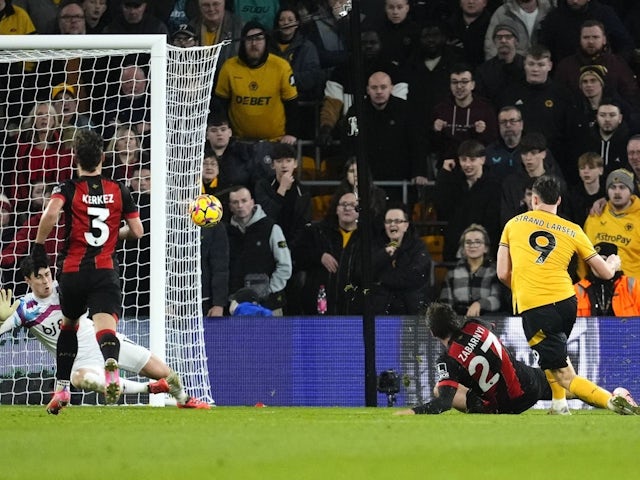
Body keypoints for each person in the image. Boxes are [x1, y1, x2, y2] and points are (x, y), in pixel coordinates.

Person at [496, 174, 638, 415]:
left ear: (534, 198)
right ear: (559, 200)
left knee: (564, 374)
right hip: (567, 301)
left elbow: (502, 273)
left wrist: (523, 288)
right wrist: (613, 263)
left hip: (537, 305)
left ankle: (613, 401)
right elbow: (604, 273)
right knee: (554, 356)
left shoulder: (514, 224)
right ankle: (559, 405)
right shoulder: (573, 229)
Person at [31, 129, 144, 414]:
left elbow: (51, 214)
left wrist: (38, 245)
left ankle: (61, 389)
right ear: (103, 157)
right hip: (104, 270)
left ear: (75, 157)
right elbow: (138, 231)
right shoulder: (119, 188)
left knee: (69, 325)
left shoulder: (67, 187)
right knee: (106, 328)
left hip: (72, 271)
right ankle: (111, 367)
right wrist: (112, 236)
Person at [0, 259, 210, 409]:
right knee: (79, 379)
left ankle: (184, 400)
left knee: (165, 372)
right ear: (28, 280)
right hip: (81, 362)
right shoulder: (24, 309)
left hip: (103, 341)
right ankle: (149, 389)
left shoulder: (65, 287)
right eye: (39, 277)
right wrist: (2, 319)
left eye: (47, 274)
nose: (46, 281)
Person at [394, 302, 554, 415]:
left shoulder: (448, 360)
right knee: (562, 381)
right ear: (454, 318)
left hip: (504, 408)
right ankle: (573, 393)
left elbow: (443, 403)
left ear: (432, 333)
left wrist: (411, 412)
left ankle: (480, 409)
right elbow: (490, 327)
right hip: (530, 386)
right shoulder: (474, 324)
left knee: (440, 387)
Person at [344, 71, 427, 202]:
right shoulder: (355, 112)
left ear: (391, 88)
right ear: (367, 89)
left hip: (400, 175)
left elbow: (417, 142)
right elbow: (349, 142)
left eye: (383, 87)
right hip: (367, 177)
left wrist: (419, 171)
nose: (379, 91)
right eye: (374, 87)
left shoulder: (406, 109)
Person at [214, 21, 300, 146]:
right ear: (243, 42)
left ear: (266, 41)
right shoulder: (229, 67)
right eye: (249, 39)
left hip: (275, 141)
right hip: (238, 141)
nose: (254, 44)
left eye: (259, 38)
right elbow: (220, 106)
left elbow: (291, 103)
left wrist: (291, 133)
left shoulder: (281, 66)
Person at [293, 191, 363, 315]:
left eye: (353, 205)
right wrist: (319, 256)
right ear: (336, 209)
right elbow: (297, 254)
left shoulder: (365, 238)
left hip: (352, 311)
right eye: (343, 204)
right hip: (320, 309)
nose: (347, 208)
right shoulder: (318, 232)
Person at [227, 186, 292, 316]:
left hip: (270, 306)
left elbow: (285, 266)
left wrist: (268, 290)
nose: (240, 205)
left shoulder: (271, 228)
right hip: (237, 307)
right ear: (230, 206)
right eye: (235, 202)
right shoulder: (226, 232)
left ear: (252, 202)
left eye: (244, 200)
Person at [434, 139, 501, 261]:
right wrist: (444, 173)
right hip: (455, 247)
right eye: (463, 160)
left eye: (472, 160)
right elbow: (441, 206)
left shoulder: (493, 185)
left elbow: (493, 220)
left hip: (484, 249)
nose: (467, 164)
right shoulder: (454, 182)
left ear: (482, 160)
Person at [553, 20, 640, 110]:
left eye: (595, 37)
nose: (590, 41)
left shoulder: (617, 63)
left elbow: (631, 95)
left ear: (604, 40)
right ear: (580, 40)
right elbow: (559, 98)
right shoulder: (566, 66)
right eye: (586, 37)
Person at [431, 64, 498, 168]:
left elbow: (492, 144)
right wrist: (436, 130)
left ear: (473, 85)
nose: (459, 86)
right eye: (454, 82)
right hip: (448, 167)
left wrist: (482, 133)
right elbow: (433, 146)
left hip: (477, 168)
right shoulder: (441, 109)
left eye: (464, 81)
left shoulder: (485, 109)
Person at [370, 204, 432, 315]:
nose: (392, 224)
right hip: (381, 311)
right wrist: (384, 255)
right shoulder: (377, 247)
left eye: (397, 221)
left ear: (406, 225)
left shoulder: (418, 247)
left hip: (412, 311)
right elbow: (366, 272)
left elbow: (413, 277)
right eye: (388, 221)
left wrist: (382, 280)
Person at [582, 168, 640, 279]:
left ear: (631, 191)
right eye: (613, 187)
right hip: (598, 288)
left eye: (622, 187)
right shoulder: (595, 216)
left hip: (632, 289)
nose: (617, 192)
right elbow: (583, 257)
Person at [538, 0, 633, 63]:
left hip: (604, 71)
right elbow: (544, 47)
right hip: (566, 75)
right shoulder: (554, 18)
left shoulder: (604, 14)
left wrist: (615, 66)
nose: (574, 1)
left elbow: (624, 44)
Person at [439, 223, 502, 316]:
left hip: (487, 319)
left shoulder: (494, 271)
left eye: (478, 242)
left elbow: (497, 300)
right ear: (463, 248)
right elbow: (445, 303)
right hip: (458, 319)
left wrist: (479, 304)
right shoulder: (452, 273)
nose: (473, 245)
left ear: (486, 248)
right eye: (468, 242)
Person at [271, 5, 324, 102]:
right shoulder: (269, 46)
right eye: (282, 20)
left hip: (299, 100)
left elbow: (312, 76)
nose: (286, 23)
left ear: (297, 24)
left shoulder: (307, 47)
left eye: (290, 20)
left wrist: (285, 80)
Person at [574, 242, 640, 316]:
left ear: (616, 262)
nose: (598, 265)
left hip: (626, 328)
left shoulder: (632, 285)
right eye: (595, 261)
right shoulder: (578, 289)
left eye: (604, 260)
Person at [475, 22, 526, 107]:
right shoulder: (484, 70)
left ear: (516, 41)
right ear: (494, 41)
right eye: (499, 37)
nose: (503, 40)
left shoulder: (527, 66)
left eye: (508, 37)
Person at [483, 0, 553, 61]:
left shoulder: (549, 10)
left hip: (540, 68)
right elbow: (491, 45)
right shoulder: (503, 12)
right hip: (510, 69)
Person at [446, 0, 491, 68]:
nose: (471, 1)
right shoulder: (448, 26)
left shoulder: (492, 25)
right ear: (460, 2)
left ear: (485, 2)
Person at [102, 0, 169, 36]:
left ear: (144, 6)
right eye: (127, 6)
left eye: (136, 6)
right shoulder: (111, 29)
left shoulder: (157, 28)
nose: (132, 11)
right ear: (121, 6)